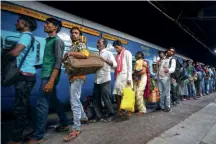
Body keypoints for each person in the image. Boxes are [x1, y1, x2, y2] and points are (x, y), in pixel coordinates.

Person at [27, 18, 68, 144]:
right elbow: (49, 60)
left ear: (55, 27)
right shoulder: (49, 41)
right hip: (47, 74)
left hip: (49, 76)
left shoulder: (57, 41)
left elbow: (58, 61)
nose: (44, 25)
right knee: (53, 100)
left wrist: (51, 81)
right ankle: (65, 123)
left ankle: (38, 135)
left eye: (47, 24)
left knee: (41, 103)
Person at [7, 15, 37, 144]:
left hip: (24, 76)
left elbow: (15, 53)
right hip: (28, 75)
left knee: (20, 108)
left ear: (24, 23)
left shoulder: (25, 36)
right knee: (24, 106)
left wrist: (5, 53)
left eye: (18, 21)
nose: (16, 23)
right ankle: (32, 131)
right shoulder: (31, 37)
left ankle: (16, 139)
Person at [63, 27, 88, 142]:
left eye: (76, 33)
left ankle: (76, 128)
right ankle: (83, 117)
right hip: (74, 76)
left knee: (74, 101)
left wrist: (69, 53)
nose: (73, 34)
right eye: (72, 33)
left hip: (78, 76)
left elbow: (84, 55)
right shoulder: (73, 45)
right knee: (76, 99)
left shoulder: (80, 44)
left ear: (79, 35)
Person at [90, 38, 117, 123]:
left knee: (106, 97)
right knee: (96, 98)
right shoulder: (96, 54)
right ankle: (99, 116)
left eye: (99, 42)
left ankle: (111, 114)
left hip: (105, 78)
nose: (97, 44)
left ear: (104, 44)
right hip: (97, 79)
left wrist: (104, 59)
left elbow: (115, 65)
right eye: (97, 42)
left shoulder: (108, 53)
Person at [112, 40, 133, 121]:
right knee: (117, 93)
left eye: (117, 48)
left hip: (126, 77)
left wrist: (129, 78)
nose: (116, 49)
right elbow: (116, 66)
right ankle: (119, 109)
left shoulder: (127, 53)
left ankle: (128, 111)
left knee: (127, 94)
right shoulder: (117, 55)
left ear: (121, 46)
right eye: (115, 48)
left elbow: (129, 66)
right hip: (118, 77)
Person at [157, 47, 176, 112]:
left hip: (166, 78)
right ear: (167, 51)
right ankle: (161, 106)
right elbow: (160, 68)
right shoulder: (163, 59)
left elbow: (173, 69)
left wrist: (168, 70)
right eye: (169, 50)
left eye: (172, 51)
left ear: (173, 53)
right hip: (160, 78)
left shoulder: (172, 60)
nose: (170, 52)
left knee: (167, 93)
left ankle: (167, 106)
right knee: (161, 92)